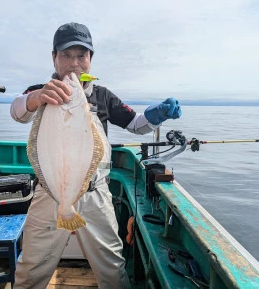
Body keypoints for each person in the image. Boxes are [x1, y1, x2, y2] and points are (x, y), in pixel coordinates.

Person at [10, 22, 181, 289]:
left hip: (94, 194)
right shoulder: (40, 91)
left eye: (81, 55)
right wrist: (37, 97)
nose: (74, 63)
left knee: (112, 266)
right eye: (66, 55)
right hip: (50, 192)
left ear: (90, 59)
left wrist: (155, 115)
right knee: (31, 269)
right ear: (54, 57)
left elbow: (135, 123)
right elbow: (18, 111)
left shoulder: (102, 96)